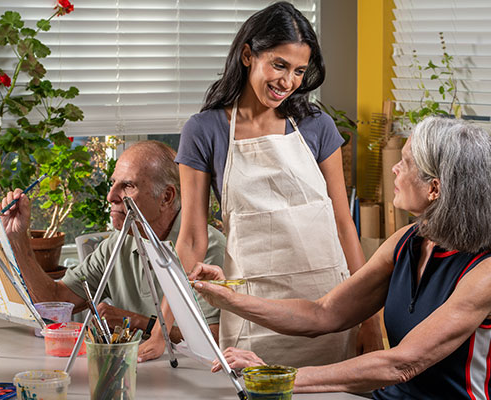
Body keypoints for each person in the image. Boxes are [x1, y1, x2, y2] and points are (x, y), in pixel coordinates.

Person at [189, 117, 491, 399]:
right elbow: (324, 313)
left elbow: (401, 363)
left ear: (434, 188)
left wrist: (279, 377)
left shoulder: (490, 271)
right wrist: (229, 300)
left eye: (405, 162)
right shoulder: (407, 242)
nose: (394, 168)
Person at [139, 1, 382, 365]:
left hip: (329, 310)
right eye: (279, 65)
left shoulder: (317, 126)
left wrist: (371, 322)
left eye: (299, 71)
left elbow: (344, 227)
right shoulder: (205, 131)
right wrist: (162, 332)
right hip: (255, 314)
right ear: (248, 55)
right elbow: (191, 238)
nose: (289, 82)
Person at [0, 140, 225, 346]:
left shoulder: (210, 248)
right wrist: (18, 239)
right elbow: (54, 301)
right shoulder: (119, 242)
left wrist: (137, 322)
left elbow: (216, 337)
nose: (111, 196)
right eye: (113, 183)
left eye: (128, 186)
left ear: (166, 197)